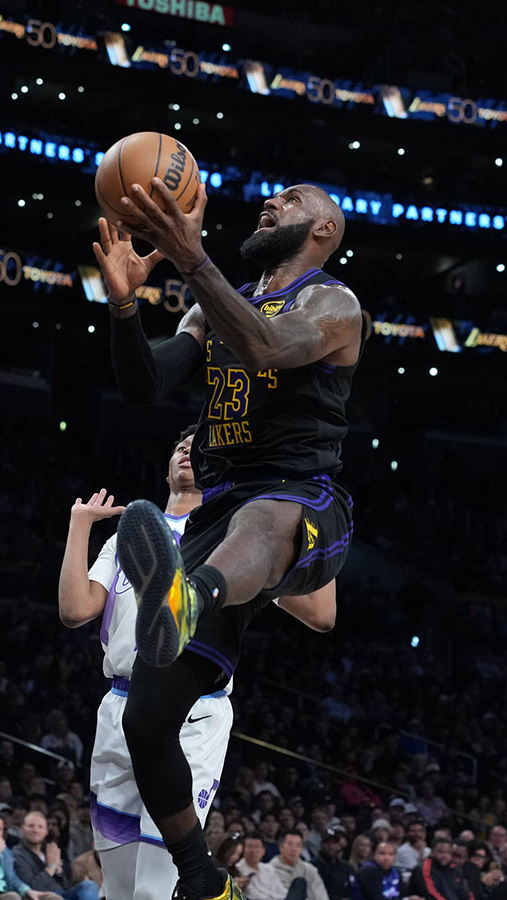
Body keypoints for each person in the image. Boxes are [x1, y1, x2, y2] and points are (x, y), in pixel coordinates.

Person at [96, 177, 363, 900]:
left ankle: (188, 597)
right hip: (220, 511)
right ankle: (204, 879)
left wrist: (192, 258)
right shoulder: (212, 305)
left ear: (324, 230)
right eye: (274, 195)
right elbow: (145, 384)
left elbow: (269, 347)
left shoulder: (333, 303)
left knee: (262, 514)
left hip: (303, 497)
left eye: (294, 198)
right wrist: (123, 307)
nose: (272, 200)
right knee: (146, 718)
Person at [56, 428, 335, 900]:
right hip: (119, 709)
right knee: (118, 891)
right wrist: (79, 523)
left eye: (200, 446)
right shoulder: (131, 534)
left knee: (153, 890)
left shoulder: (238, 539)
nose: (187, 450)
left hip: (191, 713)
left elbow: (321, 613)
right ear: (167, 468)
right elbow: (74, 610)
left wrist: (305, 530)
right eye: (179, 446)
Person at [245, 830, 327, 900]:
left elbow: (321, 896)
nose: (294, 849)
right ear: (281, 847)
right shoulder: (269, 870)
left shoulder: (310, 870)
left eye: (298, 845)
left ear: (301, 849)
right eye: (290, 844)